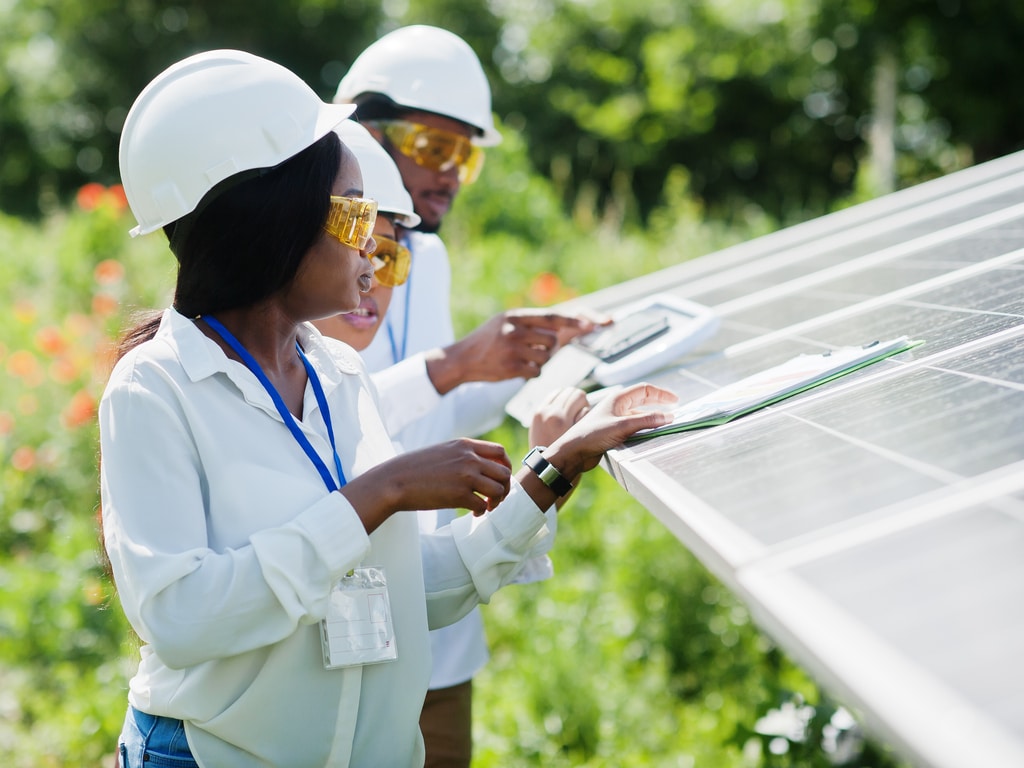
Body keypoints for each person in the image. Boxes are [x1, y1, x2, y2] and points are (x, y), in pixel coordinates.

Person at [101, 49, 676, 768]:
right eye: (354, 216)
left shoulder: (337, 373)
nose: (373, 254)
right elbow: (182, 618)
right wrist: (383, 492)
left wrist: (552, 470)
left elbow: (405, 592)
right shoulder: (154, 389)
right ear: (273, 225)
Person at [333, 26, 606, 766]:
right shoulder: (314, 250)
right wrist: (455, 363)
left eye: (465, 155)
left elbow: (431, 421)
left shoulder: (426, 255)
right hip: (332, 631)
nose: (451, 173)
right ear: (363, 130)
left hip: (436, 617)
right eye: (434, 147)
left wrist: (528, 368)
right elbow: (330, 420)